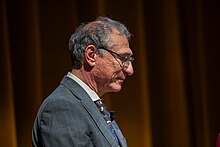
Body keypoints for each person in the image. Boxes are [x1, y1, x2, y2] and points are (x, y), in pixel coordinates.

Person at [32, 16, 134, 147]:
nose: (130, 70)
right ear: (91, 55)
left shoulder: (90, 104)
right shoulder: (62, 107)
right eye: (123, 58)